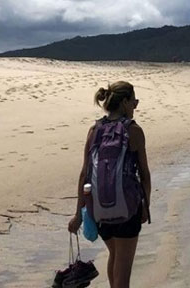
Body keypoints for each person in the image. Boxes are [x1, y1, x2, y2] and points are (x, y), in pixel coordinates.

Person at [68, 82, 151, 288]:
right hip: (127, 209)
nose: (135, 106)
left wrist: (79, 214)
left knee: (114, 254)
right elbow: (144, 174)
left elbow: (84, 174)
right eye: (134, 102)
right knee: (123, 268)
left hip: (99, 210)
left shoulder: (94, 130)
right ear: (124, 103)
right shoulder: (133, 131)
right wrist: (146, 206)